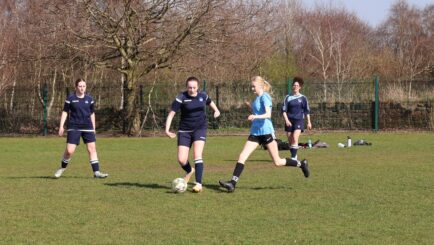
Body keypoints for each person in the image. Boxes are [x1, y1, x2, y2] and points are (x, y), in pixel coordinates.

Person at [219, 76, 309, 193]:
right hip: (255, 133)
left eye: (253, 86)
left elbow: (268, 114)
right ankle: (232, 183)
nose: (252, 88)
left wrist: (255, 116)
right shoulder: (256, 98)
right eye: (251, 86)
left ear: (260, 86)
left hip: (266, 132)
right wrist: (250, 107)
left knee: (277, 162)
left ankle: (301, 164)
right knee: (242, 156)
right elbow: (257, 112)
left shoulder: (265, 97)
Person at [165, 76, 220, 193]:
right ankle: (190, 170)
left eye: (194, 87)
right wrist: (167, 130)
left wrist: (216, 110)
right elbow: (171, 114)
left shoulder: (203, 95)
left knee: (197, 155)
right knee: (181, 160)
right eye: (190, 87)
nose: (192, 89)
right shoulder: (181, 97)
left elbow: (210, 102)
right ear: (186, 87)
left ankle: (198, 184)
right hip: (184, 131)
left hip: (200, 129)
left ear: (198, 87)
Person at [54, 78, 108, 179]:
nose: (82, 88)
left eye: (84, 86)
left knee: (92, 149)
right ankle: (62, 168)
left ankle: (97, 172)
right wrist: (61, 126)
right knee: (69, 151)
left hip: (87, 126)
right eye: (80, 86)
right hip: (74, 126)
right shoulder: (70, 98)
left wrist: (94, 127)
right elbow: (65, 112)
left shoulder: (89, 99)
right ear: (76, 87)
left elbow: (92, 113)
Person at [281, 77, 312, 160]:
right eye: (294, 85)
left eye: (297, 85)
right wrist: (286, 120)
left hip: (299, 120)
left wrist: (309, 122)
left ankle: (293, 157)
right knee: (290, 140)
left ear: (300, 87)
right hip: (289, 120)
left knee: (295, 138)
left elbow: (307, 111)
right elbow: (284, 111)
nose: (295, 87)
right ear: (292, 87)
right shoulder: (287, 97)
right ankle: (294, 155)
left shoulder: (303, 98)